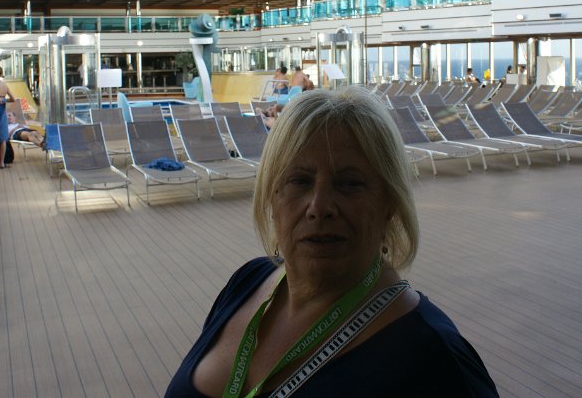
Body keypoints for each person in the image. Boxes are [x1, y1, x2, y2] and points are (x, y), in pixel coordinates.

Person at [167, 87, 498, 397]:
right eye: (299, 180)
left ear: (389, 203)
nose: (319, 207)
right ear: (271, 196)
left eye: (350, 183)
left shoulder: (434, 359)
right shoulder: (245, 284)